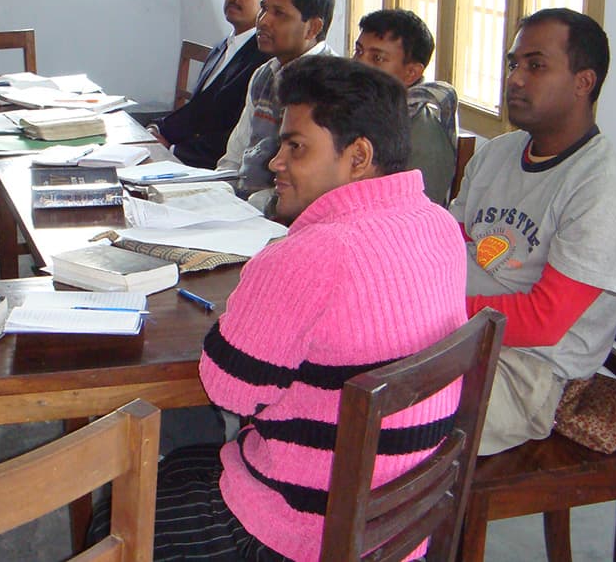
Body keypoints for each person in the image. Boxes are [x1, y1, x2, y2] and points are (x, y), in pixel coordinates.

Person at [106, 56, 467, 561]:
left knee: (117, 511)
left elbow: (230, 390)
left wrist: (249, 303)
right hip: (398, 520)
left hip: (302, 532)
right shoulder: (439, 226)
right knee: (185, 464)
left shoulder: (311, 254)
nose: (276, 162)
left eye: (296, 147)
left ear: (358, 156)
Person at [448, 8, 616, 455]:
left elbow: (544, 322)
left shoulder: (603, 192)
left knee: (384, 409)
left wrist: (434, 309)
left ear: (584, 82)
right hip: (461, 334)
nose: (516, 78)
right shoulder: (497, 154)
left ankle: (406, 521)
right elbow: (450, 244)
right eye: (513, 63)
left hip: (528, 374)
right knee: (341, 356)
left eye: (536, 65)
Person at [216, 0, 336, 201]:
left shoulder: (331, 86)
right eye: (263, 9)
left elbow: (313, 186)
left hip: (278, 215)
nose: (263, 22)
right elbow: (234, 158)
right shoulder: (264, 74)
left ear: (313, 28)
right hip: (240, 205)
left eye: (279, 14)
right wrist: (214, 197)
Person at [146, 0, 275, 169]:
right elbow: (197, 111)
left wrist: (173, 151)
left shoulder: (262, 60)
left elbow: (236, 134)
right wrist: (157, 129)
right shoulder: (220, 48)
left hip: (210, 165)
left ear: (265, 1)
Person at [353, 8, 459, 204]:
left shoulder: (422, 139)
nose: (358, 64)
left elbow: (416, 219)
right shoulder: (360, 112)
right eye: (359, 51)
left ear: (411, 73)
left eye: (377, 58)